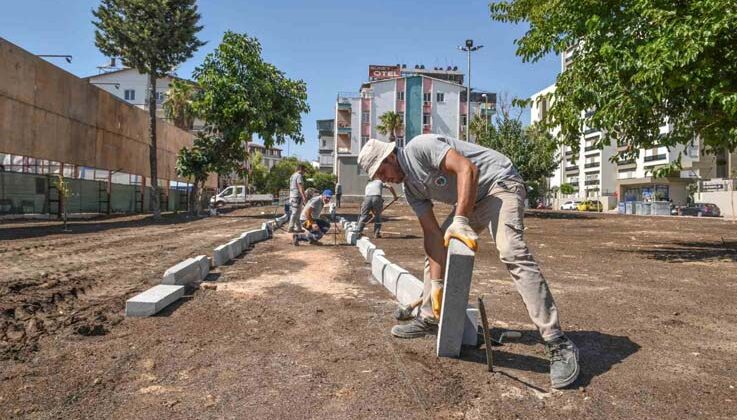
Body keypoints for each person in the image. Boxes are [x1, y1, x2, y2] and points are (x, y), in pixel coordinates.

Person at [357, 135, 580, 389]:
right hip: (473, 197)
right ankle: (431, 317)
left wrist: (460, 220)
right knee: (438, 248)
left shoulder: (420, 147)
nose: (383, 179)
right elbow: (431, 234)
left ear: (391, 156)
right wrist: (438, 283)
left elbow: (467, 169)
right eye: (377, 178)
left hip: (499, 183)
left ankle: (557, 341)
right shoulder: (412, 190)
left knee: (511, 250)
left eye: (381, 171)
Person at [287, 165, 307, 232]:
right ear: (301, 169)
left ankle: (298, 228)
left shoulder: (292, 175)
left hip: (292, 196)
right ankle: (290, 227)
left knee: (297, 213)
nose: (304, 172)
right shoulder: (299, 176)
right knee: (295, 212)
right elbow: (300, 186)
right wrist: (304, 197)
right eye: (304, 170)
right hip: (297, 196)